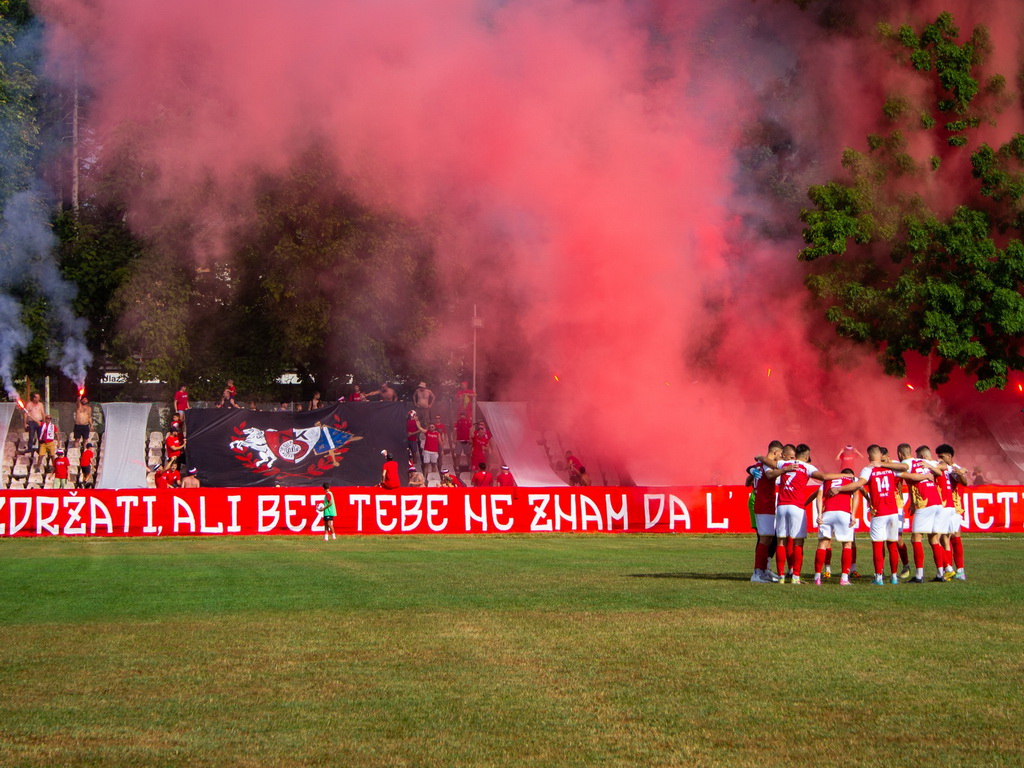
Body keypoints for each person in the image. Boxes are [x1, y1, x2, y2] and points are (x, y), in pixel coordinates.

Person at [829, 444, 929, 586]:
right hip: (893, 512)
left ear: (870, 456)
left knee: (877, 545)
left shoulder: (868, 469)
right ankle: (894, 577)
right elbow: (907, 470)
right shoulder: (890, 468)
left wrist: (839, 488)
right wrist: (926, 476)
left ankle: (878, 578)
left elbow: (859, 484)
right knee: (892, 544)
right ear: (880, 455)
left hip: (879, 512)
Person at [773, 443, 848, 584]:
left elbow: (766, 460)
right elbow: (824, 477)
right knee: (798, 542)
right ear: (807, 457)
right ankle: (795, 576)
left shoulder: (784, 463)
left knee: (781, 541)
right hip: (797, 506)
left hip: (782, 505)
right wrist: (844, 475)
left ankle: (781, 576)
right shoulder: (808, 467)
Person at [749, 440, 787, 583]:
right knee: (765, 539)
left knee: (768, 538)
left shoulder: (759, 464)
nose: (780, 458)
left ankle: (764, 571)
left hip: (765, 502)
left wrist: (751, 472)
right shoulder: (766, 463)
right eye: (780, 455)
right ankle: (757, 573)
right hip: (764, 503)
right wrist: (784, 470)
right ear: (775, 452)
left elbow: (748, 481)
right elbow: (771, 475)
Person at [813, 469, 858, 585]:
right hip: (843, 513)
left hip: (828, 513)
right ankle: (844, 578)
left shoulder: (828, 479)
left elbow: (819, 496)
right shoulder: (851, 480)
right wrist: (853, 515)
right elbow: (856, 495)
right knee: (847, 544)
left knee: (822, 544)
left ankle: (817, 577)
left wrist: (819, 515)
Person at [935, 443, 969, 581]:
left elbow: (964, 481)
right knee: (952, 537)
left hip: (952, 507)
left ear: (949, 456)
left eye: (942, 457)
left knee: (945, 538)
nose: (940, 460)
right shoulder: (946, 468)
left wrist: (960, 473)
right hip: (950, 507)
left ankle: (950, 569)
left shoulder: (952, 469)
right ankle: (958, 570)